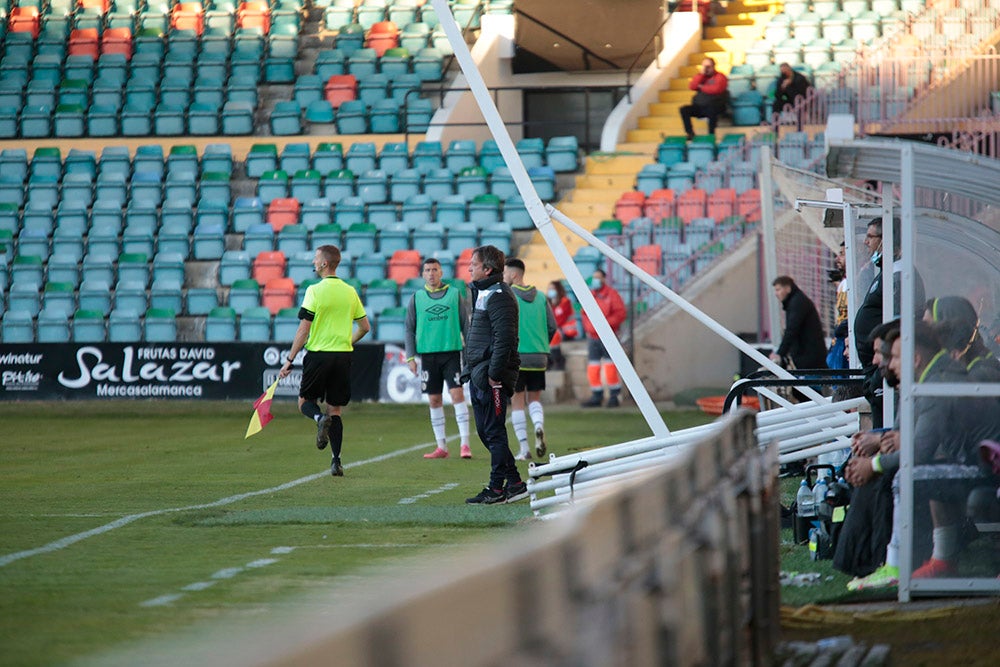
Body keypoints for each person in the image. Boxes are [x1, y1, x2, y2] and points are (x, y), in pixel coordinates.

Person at [279, 245, 370, 478]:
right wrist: (346, 341)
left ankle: (319, 419)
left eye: (316, 259)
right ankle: (336, 461)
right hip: (343, 355)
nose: (313, 262)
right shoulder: (350, 291)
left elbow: (303, 329)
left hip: (318, 354)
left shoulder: (314, 291)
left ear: (324, 264)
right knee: (336, 409)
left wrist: (289, 359)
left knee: (304, 402)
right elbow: (365, 327)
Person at [461, 245, 528, 505]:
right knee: (486, 432)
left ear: (487, 269)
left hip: (491, 376)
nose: (469, 268)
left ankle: (496, 488)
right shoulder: (484, 292)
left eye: (473, 264)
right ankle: (515, 483)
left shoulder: (499, 295)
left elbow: (505, 339)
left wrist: (494, 374)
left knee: (494, 432)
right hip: (479, 373)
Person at [404, 257, 472, 460]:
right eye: (427, 270)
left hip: (451, 353)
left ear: (441, 273)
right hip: (427, 356)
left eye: (435, 270)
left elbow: (465, 326)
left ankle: (465, 444)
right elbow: (409, 328)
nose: (431, 273)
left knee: (457, 395)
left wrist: (469, 355)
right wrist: (410, 357)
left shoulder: (454, 294)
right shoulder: (416, 298)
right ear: (422, 274)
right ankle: (441, 446)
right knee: (434, 400)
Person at [504, 258, 557, 461]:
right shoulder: (542, 297)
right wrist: (542, 344)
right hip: (539, 356)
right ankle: (538, 425)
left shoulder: (509, 296)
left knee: (517, 402)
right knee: (534, 399)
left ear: (514, 275)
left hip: (517, 357)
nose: (504, 276)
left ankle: (524, 449)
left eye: (506, 273)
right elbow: (552, 327)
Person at [580, 268, 627, 408]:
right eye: (594, 277)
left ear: (604, 279)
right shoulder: (591, 295)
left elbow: (620, 314)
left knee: (610, 367)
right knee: (593, 367)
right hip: (594, 337)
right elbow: (584, 314)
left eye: (598, 277)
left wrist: (603, 326)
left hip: (609, 337)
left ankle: (614, 396)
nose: (595, 280)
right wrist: (590, 328)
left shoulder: (612, 294)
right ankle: (597, 396)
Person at [769, 275, 828, 370]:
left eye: (778, 289)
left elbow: (791, 330)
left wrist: (780, 353)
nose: (776, 294)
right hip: (808, 357)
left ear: (788, 288)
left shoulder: (797, 303)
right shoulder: (796, 301)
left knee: (811, 383)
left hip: (809, 359)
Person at [679, 57, 729, 140]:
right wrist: (701, 75)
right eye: (704, 66)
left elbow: (716, 89)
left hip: (716, 105)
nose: (706, 69)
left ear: (713, 66)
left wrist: (702, 87)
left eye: (708, 66)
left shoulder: (720, 76)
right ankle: (690, 133)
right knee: (684, 110)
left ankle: (711, 135)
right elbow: (692, 86)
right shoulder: (700, 77)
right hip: (701, 106)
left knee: (712, 110)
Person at [771, 62, 812, 130]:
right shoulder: (781, 79)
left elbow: (803, 92)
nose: (784, 73)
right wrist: (782, 88)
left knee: (799, 103)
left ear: (789, 70)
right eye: (782, 72)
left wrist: (791, 85)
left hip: (801, 100)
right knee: (776, 104)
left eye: (785, 71)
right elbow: (778, 95)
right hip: (789, 100)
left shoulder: (799, 78)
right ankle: (775, 128)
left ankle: (799, 128)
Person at [546, 280, 576, 371]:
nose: (550, 291)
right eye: (549, 289)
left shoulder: (565, 302)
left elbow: (559, 320)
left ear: (558, 290)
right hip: (555, 329)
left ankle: (558, 360)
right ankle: (549, 360)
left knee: (554, 335)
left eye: (553, 289)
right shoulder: (547, 302)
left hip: (566, 331)